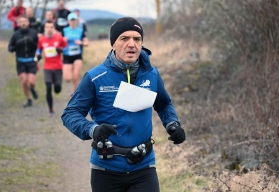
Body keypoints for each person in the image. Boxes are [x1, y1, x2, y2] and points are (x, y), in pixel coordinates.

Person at [61, 17, 186, 192]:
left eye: (137, 39)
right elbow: (70, 113)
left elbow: (164, 105)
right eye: (124, 38)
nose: (131, 44)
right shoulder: (95, 77)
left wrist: (173, 124)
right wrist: (92, 129)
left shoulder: (152, 75)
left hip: (143, 167)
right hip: (106, 169)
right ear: (113, 43)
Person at [36, 21, 67, 115]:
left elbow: (66, 48)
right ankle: (51, 109)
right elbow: (39, 49)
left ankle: (58, 86)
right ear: (45, 29)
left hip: (58, 67)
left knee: (57, 88)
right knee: (48, 87)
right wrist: (38, 55)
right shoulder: (42, 39)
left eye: (51, 27)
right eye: (47, 27)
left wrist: (61, 50)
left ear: (53, 28)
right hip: (47, 67)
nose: (49, 29)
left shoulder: (59, 38)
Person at [8, 15, 39, 107]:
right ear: (18, 24)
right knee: (24, 81)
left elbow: (39, 46)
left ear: (28, 23)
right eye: (21, 22)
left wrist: (32, 42)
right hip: (20, 61)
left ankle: (32, 88)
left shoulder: (33, 33)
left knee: (32, 81)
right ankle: (29, 99)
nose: (23, 23)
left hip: (31, 60)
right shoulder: (15, 35)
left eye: (25, 21)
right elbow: (10, 48)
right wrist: (17, 45)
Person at [62, 12, 89, 96]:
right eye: (71, 20)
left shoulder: (80, 30)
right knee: (67, 78)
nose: (73, 22)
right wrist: (63, 40)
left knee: (76, 76)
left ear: (77, 21)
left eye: (74, 20)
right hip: (67, 55)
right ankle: (74, 91)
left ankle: (73, 94)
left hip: (77, 56)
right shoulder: (64, 30)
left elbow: (86, 43)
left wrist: (81, 42)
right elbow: (59, 43)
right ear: (68, 21)